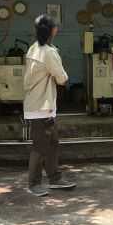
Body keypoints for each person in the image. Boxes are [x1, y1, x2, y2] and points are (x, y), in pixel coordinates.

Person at [23, 14, 75, 197]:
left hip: (37, 104)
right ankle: (34, 183)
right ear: (53, 30)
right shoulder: (49, 52)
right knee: (40, 146)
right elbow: (62, 78)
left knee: (52, 143)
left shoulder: (34, 48)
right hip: (41, 106)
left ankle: (55, 178)